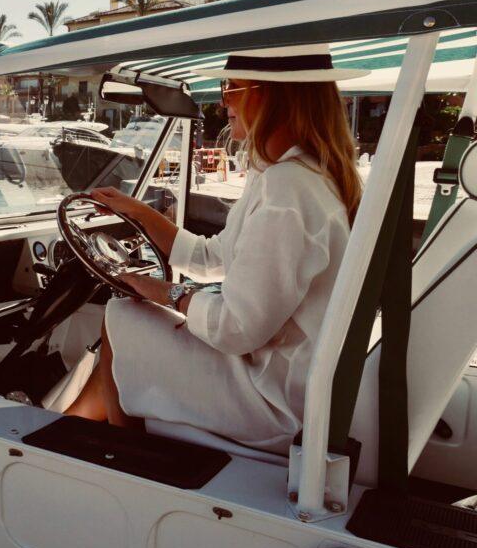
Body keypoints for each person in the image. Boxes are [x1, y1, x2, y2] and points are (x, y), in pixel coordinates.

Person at [64, 44, 369, 451]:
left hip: (273, 400)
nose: (223, 100)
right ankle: (68, 428)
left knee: (122, 318)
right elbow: (214, 259)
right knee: (128, 324)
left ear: (271, 95)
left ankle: (122, 457)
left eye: (232, 87)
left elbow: (236, 329)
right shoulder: (294, 176)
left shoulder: (288, 189)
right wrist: (140, 213)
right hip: (286, 377)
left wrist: (164, 292)